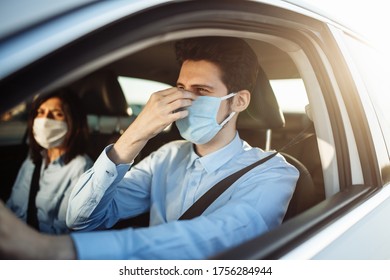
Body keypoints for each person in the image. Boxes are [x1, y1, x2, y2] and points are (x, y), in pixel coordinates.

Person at [0, 36, 298, 259]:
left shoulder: (273, 173)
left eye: (202, 91)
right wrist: (136, 133)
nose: (184, 100)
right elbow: (80, 218)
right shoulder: (167, 157)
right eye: (181, 89)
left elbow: (220, 238)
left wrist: (55, 251)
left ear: (239, 101)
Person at [5, 89, 93, 234]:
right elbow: (13, 205)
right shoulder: (33, 158)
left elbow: (64, 231)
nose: (45, 120)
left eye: (57, 114)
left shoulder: (81, 167)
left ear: (73, 122)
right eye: (40, 112)